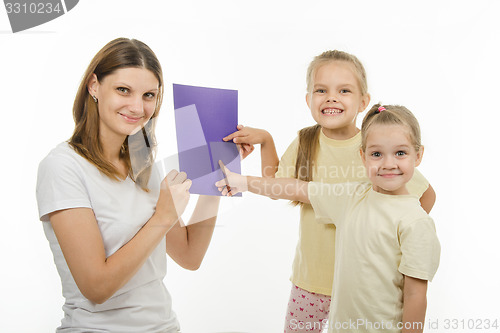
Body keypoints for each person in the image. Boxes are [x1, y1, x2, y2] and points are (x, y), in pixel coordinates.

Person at [222, 50, 436, 332]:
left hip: (364, 285)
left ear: (363, 102)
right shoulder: (306, 140)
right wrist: (266, 141)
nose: (332, 98)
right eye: (321, 90)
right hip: (312, 277)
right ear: (309, 99)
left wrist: (389, 236)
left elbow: (425, 197)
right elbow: (279, 186)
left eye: (344, 90)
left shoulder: (379, 146)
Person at [36, 38, 220, 333]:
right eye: (124, 90)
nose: (138, 107)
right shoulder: (63, 167)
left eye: (149, 95)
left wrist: (215, 179)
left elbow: (189, 255)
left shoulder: (141, 164)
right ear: (94, 86)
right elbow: (97, 286)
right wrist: (162, 216)